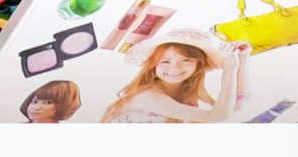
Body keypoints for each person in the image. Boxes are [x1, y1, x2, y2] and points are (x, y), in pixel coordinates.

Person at [101, 29, 250, 122]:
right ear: (153, 64)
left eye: (186, 60)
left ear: (198, 65)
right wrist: (229, 70)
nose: (174, 68)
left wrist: (242, 59)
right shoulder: (148, 97)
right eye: (165, 61)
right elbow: (218, 116)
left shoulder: (187, 92)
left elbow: (236, 105)